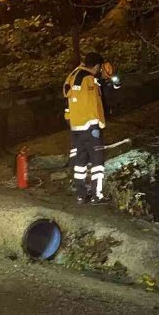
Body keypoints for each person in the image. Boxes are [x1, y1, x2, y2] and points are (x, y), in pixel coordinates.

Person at [63, 52, 108, 203]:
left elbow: (67, 98)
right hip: (90, 126)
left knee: (80, 162)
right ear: (97, 66)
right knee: (97, 161)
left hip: (76, 127)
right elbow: (93, 103)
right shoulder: (89, 79)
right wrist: (98, 124)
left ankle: (81, 195)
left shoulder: (72, 76)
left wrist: (69, 119)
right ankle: (97, 195)